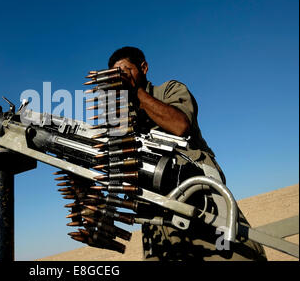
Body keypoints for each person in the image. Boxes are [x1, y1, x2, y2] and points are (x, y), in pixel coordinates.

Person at [108, 46, 267, 261]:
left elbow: (180, 125)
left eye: (126, 71)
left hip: (198, 196)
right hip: (156, 211)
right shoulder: (119, 117)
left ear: (143, 68)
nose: (120, 78)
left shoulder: (169, 90)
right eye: (115, 75)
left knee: (232, 255)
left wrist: (136, 93)